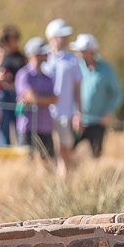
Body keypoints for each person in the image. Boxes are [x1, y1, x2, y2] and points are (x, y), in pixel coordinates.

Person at [72, 33, 122, 158]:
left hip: (97, 123)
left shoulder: (107, 70)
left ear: (90, 52)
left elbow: (117, 93)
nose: (77, 53)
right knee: (67, 154)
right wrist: (75, 114)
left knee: (96, 156)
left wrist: (109, 113)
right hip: (76, 122)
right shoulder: (75, 67)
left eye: (81, 51)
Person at [42, 18, 82, 172]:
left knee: (65, 151)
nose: (65, 39)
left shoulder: (73, 60)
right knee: (46, 153)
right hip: (46, 114)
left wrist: (79, 112)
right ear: (52, 37)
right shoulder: (43, 58)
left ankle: (64, 188)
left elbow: (78, 89)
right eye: (62, 36)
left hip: (66, 112)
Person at [15, 37, 59, 164]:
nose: (47, 55)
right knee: (26, 162)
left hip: (45, 126)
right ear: (35, 54)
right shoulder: (24, 74)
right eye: (44, 53)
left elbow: (55, 99)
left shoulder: (47, 77)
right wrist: (45, 100)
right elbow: (31, 97)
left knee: (49, 163)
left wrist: (37, 99)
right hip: (27, 126)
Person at [0, 25, 24, 146]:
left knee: (19, 126)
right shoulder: (0, 55)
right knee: (4, 126)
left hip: (17, 94)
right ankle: (4, 151)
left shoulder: (21, 57)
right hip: (3, 95)